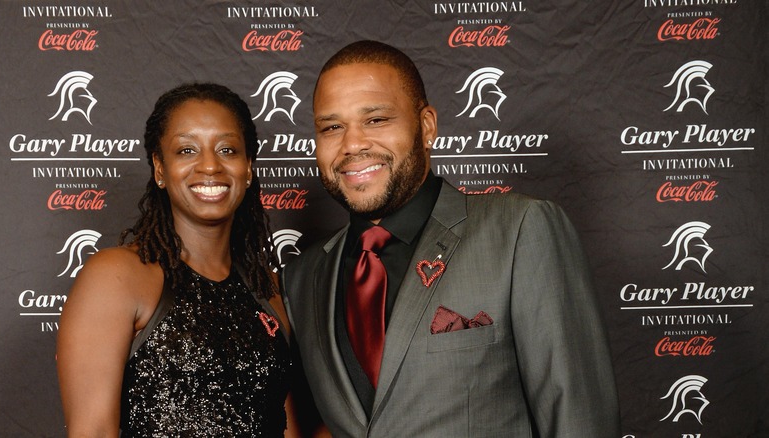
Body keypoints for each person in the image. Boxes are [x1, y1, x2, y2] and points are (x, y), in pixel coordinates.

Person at [282, 40, 621, 437]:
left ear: (426, 127)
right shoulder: (302, 277)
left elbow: (579, 421)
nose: (352, 144)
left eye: (375, 120)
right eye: (332, 127)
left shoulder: (520, 229)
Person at [57, 83, 298, 436]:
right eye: (187, 150)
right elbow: (92, 430)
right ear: (159, 168)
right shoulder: (117, 277)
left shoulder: (269, 291)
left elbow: (289, 426)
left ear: (248, 168)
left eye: (227, 149)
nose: (210, 166)